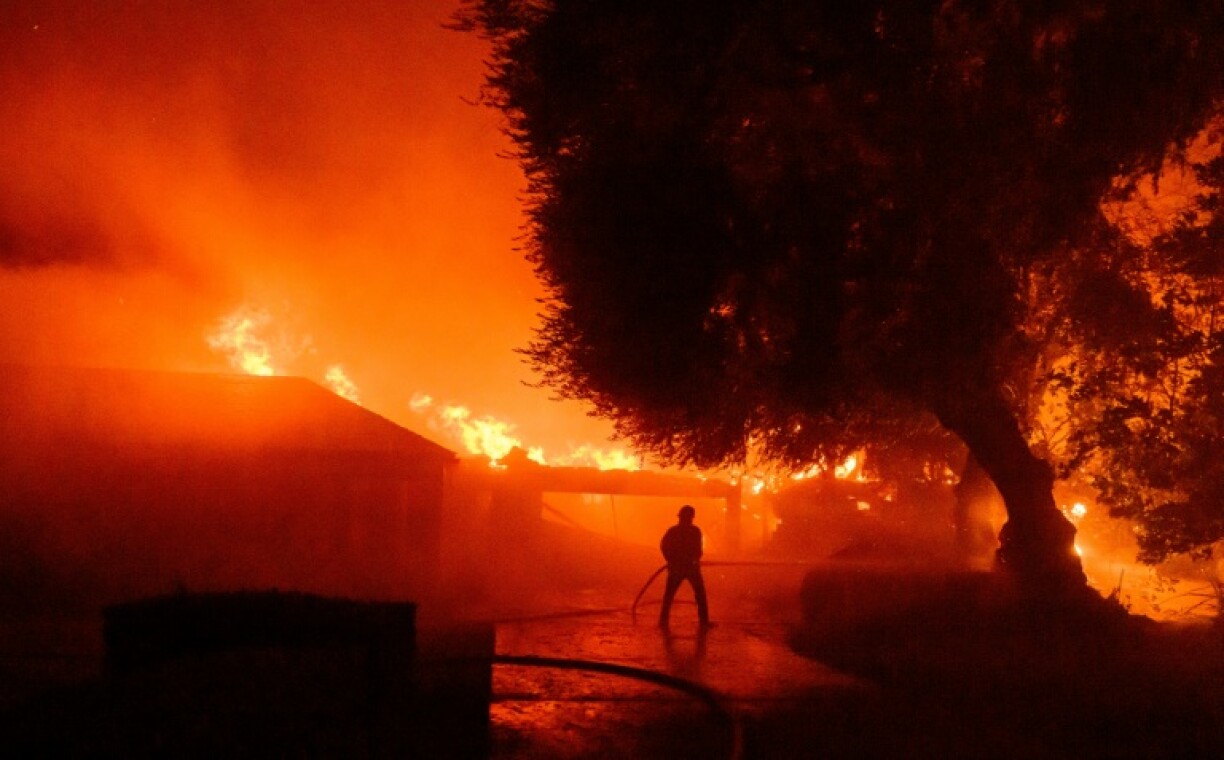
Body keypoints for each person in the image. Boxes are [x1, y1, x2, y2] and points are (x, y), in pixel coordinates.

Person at [658, 504, 710, 629]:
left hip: (680, 568)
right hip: (689, 568)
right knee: (699, 594)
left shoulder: (675, 531)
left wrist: (671, 560)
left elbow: (664, 546)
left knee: (670, 595)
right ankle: (704, 622)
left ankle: (663, 621)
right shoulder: (694, 531)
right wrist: (694, 559)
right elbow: (698, 550)